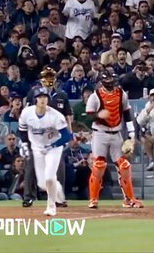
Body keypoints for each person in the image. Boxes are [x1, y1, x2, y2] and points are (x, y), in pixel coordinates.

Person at [85, 72, 142, 209]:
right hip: (100, 133)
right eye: (108, 80)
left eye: (112, 80)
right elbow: (88, 116)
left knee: (124, 165)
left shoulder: (122, 94)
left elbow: (127, 114)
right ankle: (93, 199)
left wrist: (132, 134)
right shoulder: (95, 96)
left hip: (116, 132)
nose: (110, 84)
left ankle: (129, 199)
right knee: (98, 165)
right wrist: (99, 115)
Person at [18, 87, 72, 216]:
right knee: (42, 183)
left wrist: (53, 145)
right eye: (40, 97)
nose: (43, 99)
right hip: (37, 148)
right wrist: (25, 144)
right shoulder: (26, 113)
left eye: (45, 97)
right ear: (35, 99)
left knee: (49, 177)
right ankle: (58, 191)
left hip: (53, 148)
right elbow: (22, 129)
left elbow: (66, 136)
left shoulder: (55, 116)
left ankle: (51, 206)